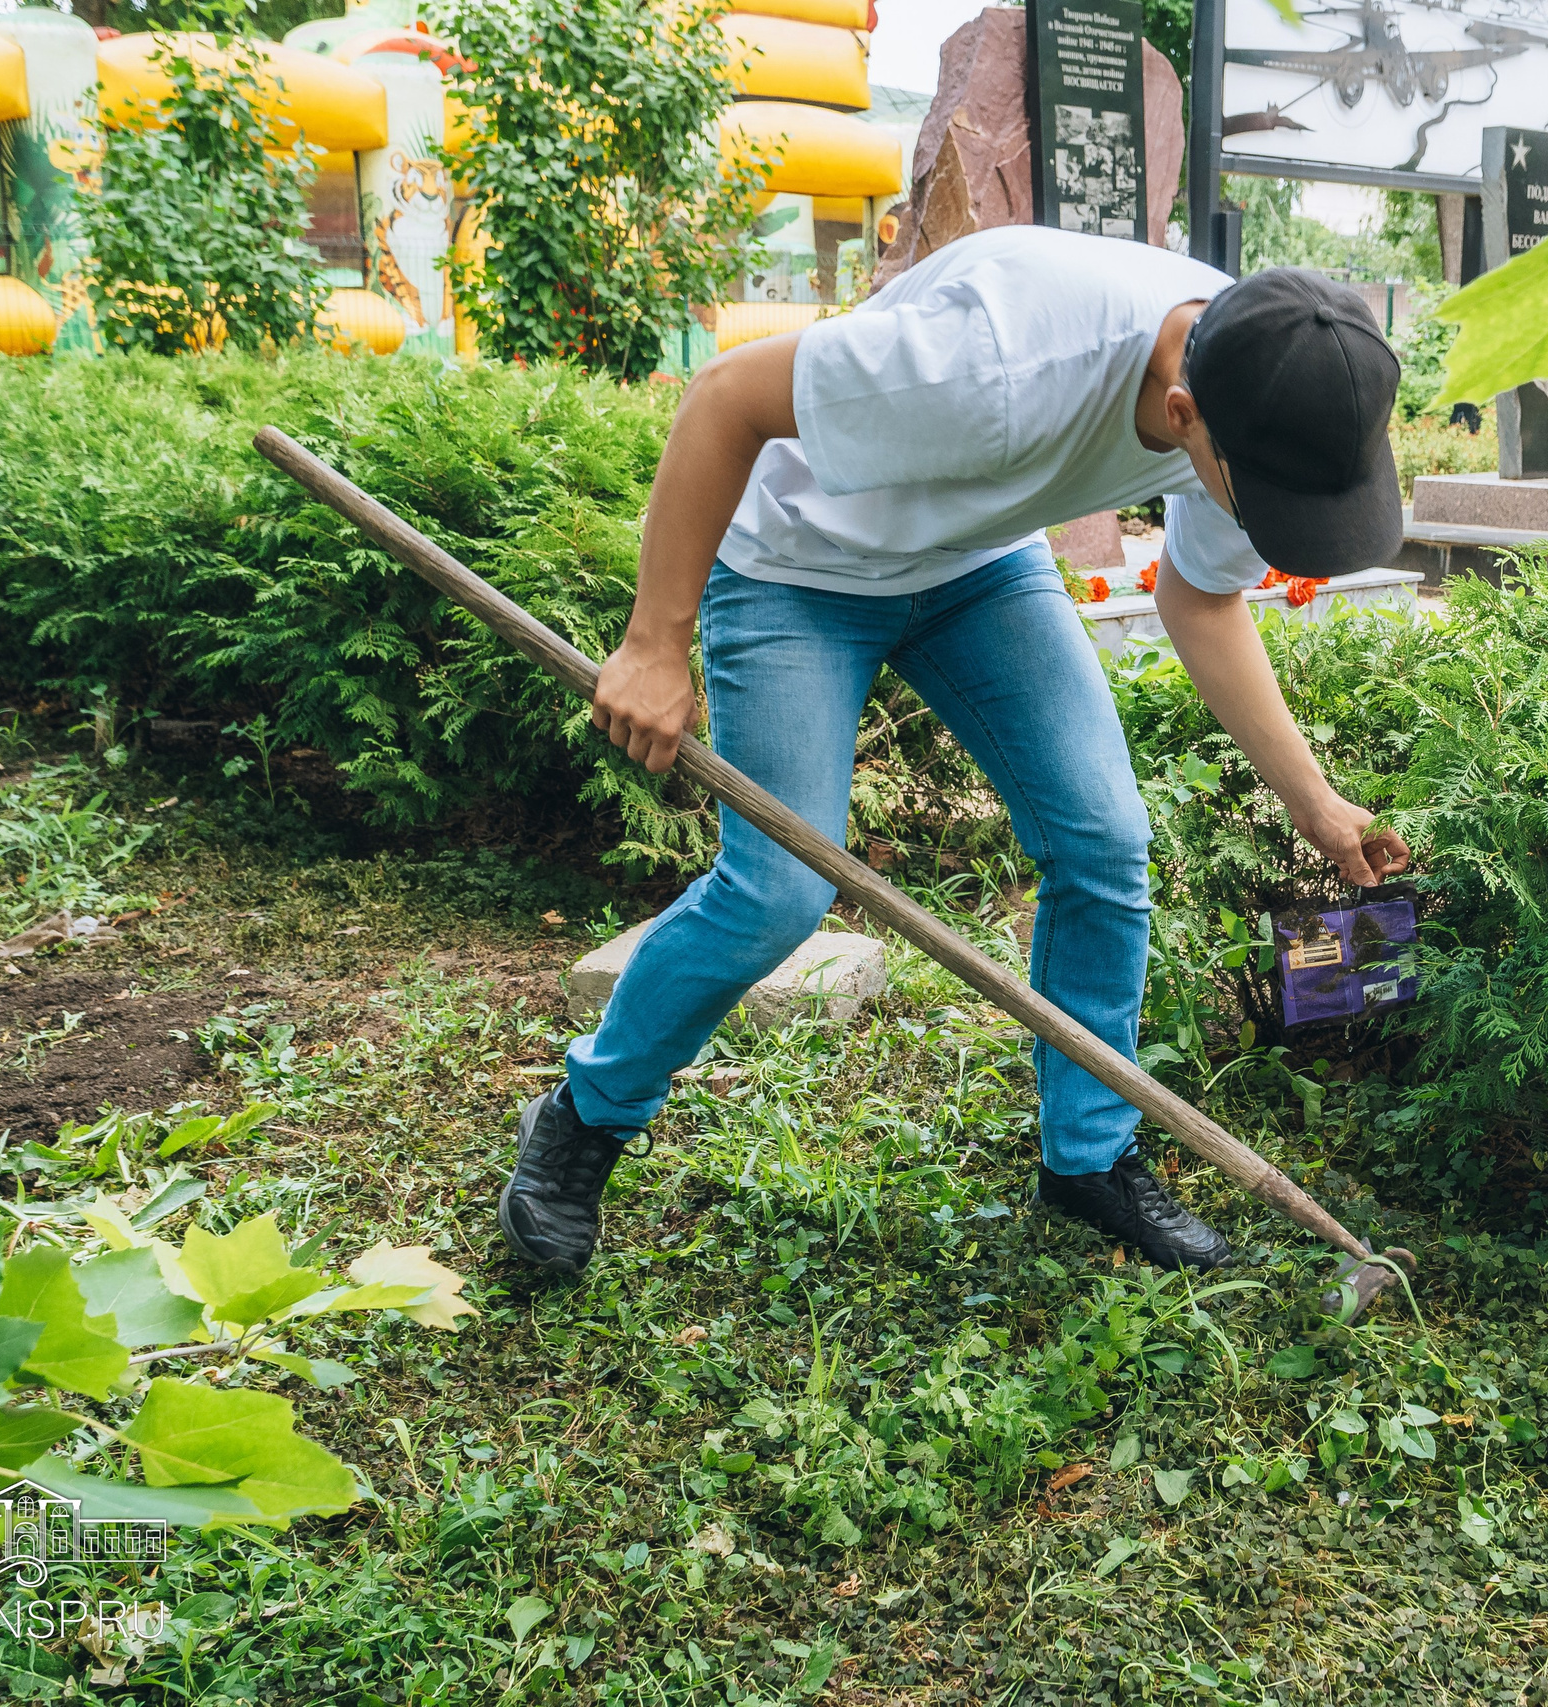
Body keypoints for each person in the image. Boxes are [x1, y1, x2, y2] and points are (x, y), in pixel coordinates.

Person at [498, 224, 1410, 1279]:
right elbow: (726, 397)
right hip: (802, 565)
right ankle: (584, 1117)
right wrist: (654, 640)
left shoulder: (1274, 383)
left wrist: (1316, 804)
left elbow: (1200, 599)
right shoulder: (1001, 360)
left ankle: (1088, 1158)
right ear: (1179, 418)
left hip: (977, 568)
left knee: (1104, 846)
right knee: (777, 893)